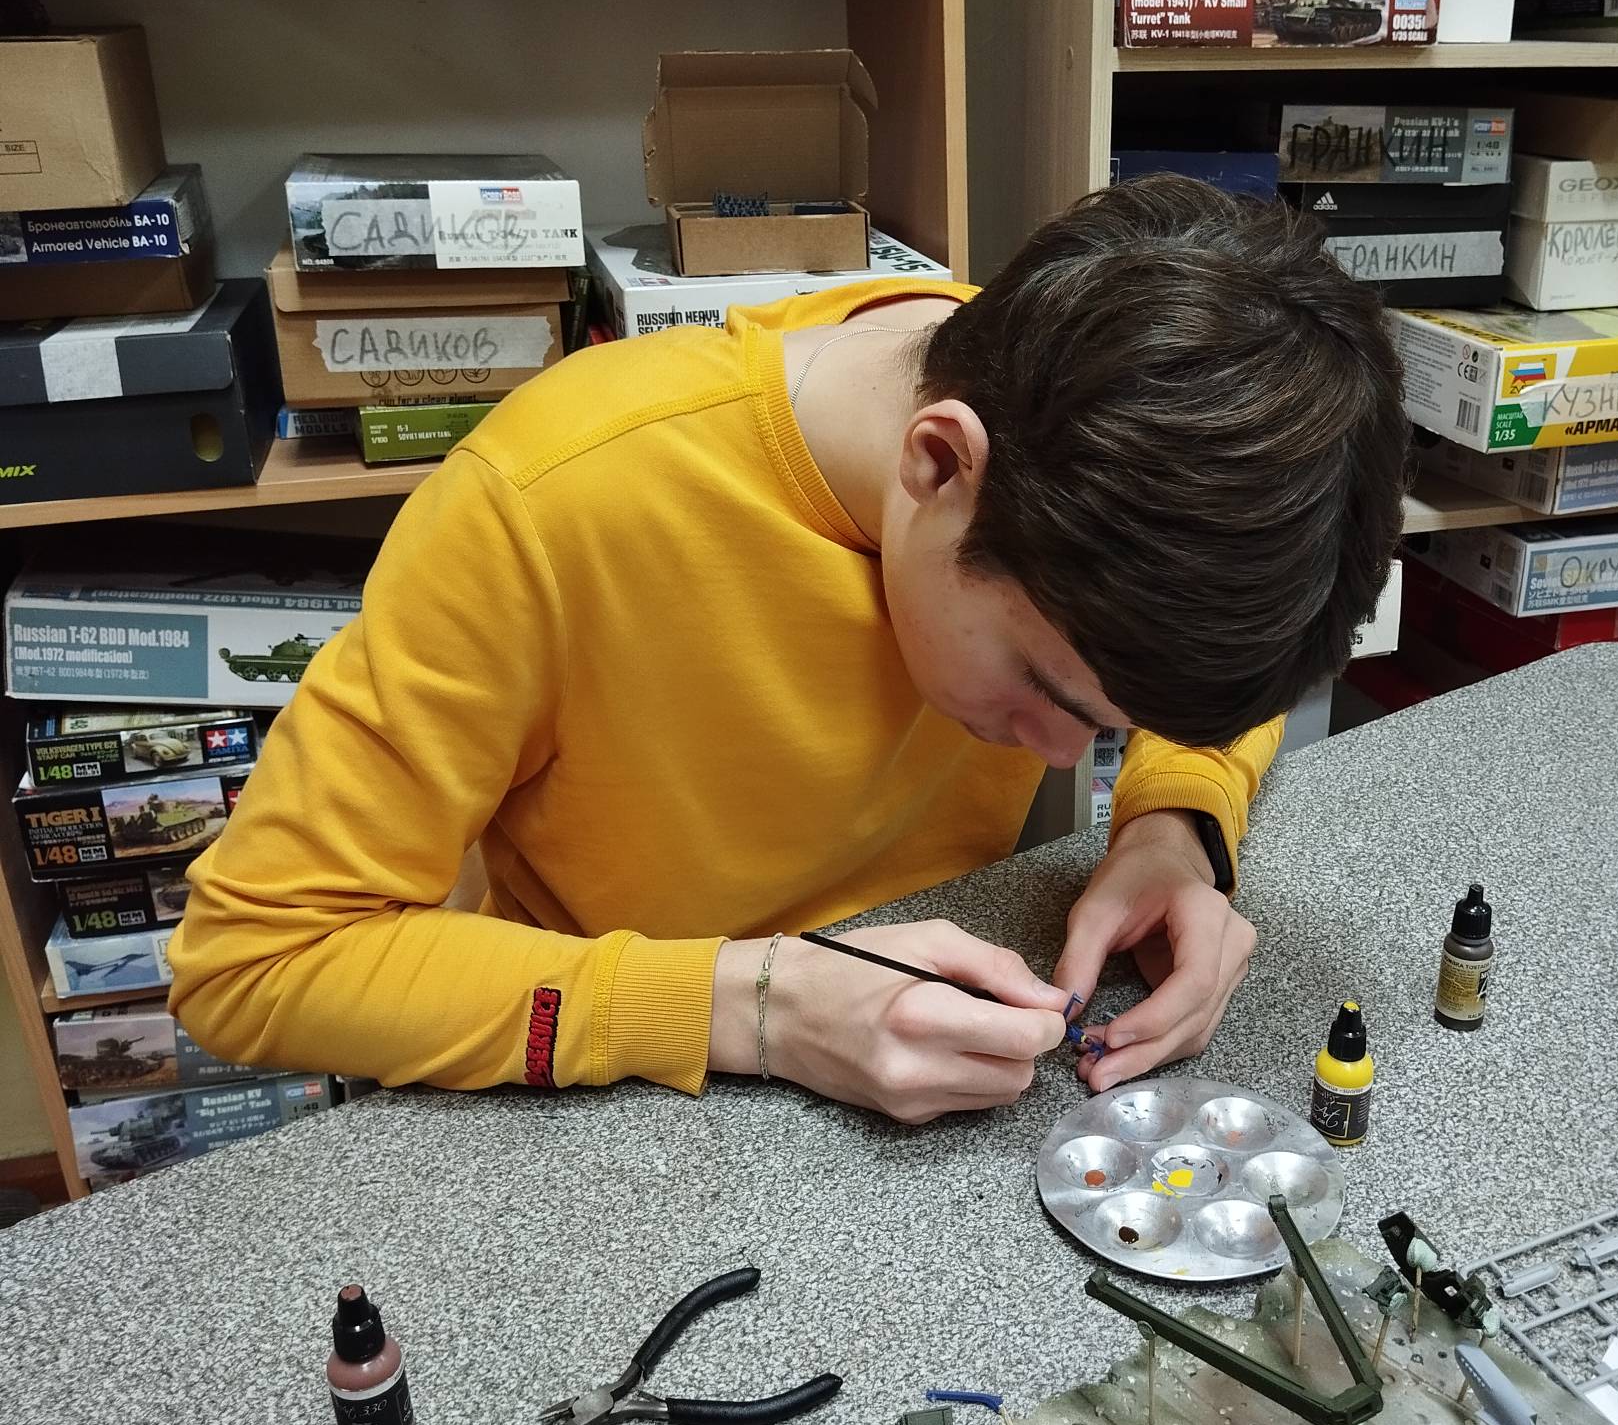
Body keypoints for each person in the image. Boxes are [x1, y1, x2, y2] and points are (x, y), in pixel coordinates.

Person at [169, 174, 1408, 1122]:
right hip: (628, 1107)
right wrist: (754, 1007)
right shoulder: (550, 504)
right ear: (939, 465)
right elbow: (250, 964)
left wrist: (1175, 822)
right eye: (1046, 690)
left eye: (1108, 726)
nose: (1058, 756)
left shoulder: (1114, 441)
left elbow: (1207, 666)